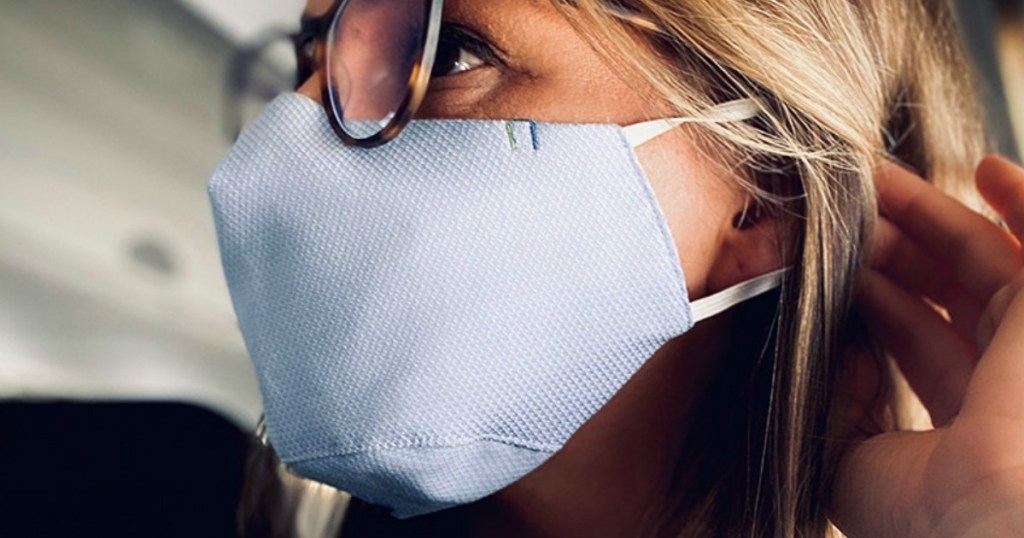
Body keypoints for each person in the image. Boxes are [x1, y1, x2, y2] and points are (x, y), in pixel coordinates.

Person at [212, 0, 1024, 536]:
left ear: (765, 197)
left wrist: (988, 512)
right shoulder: (133, 479)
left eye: (445, 51)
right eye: (313, 59)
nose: (281, 145)